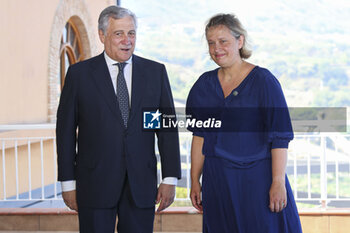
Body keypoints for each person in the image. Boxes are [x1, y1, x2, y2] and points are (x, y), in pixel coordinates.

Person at [56, 6, 181, 233]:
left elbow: (165, 129)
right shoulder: (79, 75)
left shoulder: (155, 73)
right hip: (94, 183)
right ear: (102, 36)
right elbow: (64, 133)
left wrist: (170, 177)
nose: (127, 40)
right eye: (119, 33)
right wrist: (68, 183)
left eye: (131, 33)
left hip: (141, 185)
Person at [186, 13, 303, 233]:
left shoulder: (264, 82)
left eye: (223, 41)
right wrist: (195, 180)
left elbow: (280, 138)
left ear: (240, 41)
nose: (216, 48)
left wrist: (277, 182)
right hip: (218, 181)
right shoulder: (203, 86)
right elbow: (199, 137)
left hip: (258, 180)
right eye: (211, 43)